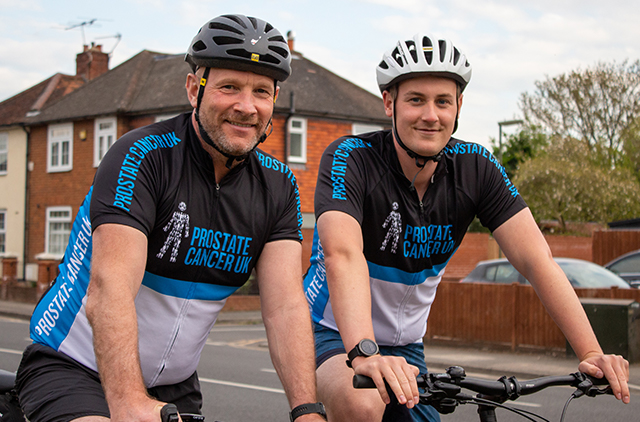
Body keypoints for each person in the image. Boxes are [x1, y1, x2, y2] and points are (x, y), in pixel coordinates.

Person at [303, 32, 630, 422]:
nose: (431, 115)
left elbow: (537, 260)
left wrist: (591, 353)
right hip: (334, 334)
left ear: (459, 105)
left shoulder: (476, 167)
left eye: (443, 101)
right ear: (389, 103)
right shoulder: (351, 158)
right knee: (362, 405)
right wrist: (364, 351)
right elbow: (343, 254)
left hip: (406, 347)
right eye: (415, 100)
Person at [15, 14, 326, 422]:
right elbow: (111, 289)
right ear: (193, 89)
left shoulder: (279, 185)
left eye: (261, 92)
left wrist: (307, 411)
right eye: (229, 87)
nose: (246, 106)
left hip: (173, 387)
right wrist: (128, 402)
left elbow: (285, 307)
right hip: (73, 366)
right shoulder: (141, 155)